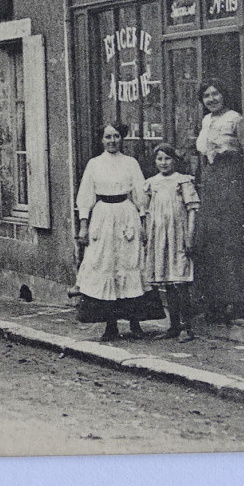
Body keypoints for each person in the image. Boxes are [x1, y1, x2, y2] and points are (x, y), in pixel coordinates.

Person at [73, 122, 153, 341]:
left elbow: (140, 194)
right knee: (106, 264)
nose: (112, 141)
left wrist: (143, 223)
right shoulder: (94, 164)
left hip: (127, 215)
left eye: (116, 136)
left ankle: (135, 324)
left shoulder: (131, 163)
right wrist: (83, 225)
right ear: (102, 139)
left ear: (122, 138)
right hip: (103, 216)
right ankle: (111, 325)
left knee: (129, 264)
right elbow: (85, 196)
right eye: (108, 137)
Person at [194, 78, 244, 323]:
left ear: (224, 95)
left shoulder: (235, 119)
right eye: (207, 96)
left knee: (230, 243)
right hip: (210, 184)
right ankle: (214, 301)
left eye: (216, 94)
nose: (212, 99)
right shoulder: (206, 120)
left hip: (231, 183)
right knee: (210, 244)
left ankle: (236, 302)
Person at [142, 143, 200, 341]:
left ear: (174, 160)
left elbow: (192, 210)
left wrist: (189, 237)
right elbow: (148, 212)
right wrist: (148, 235)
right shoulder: (152, 183)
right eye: (159, 159)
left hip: (178, 236)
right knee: (167, 281)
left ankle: (187, 327)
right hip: (160, 237)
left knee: (180, 281)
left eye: (167, 158)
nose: (163, 163)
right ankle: (173, 325)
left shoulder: (183, 182)